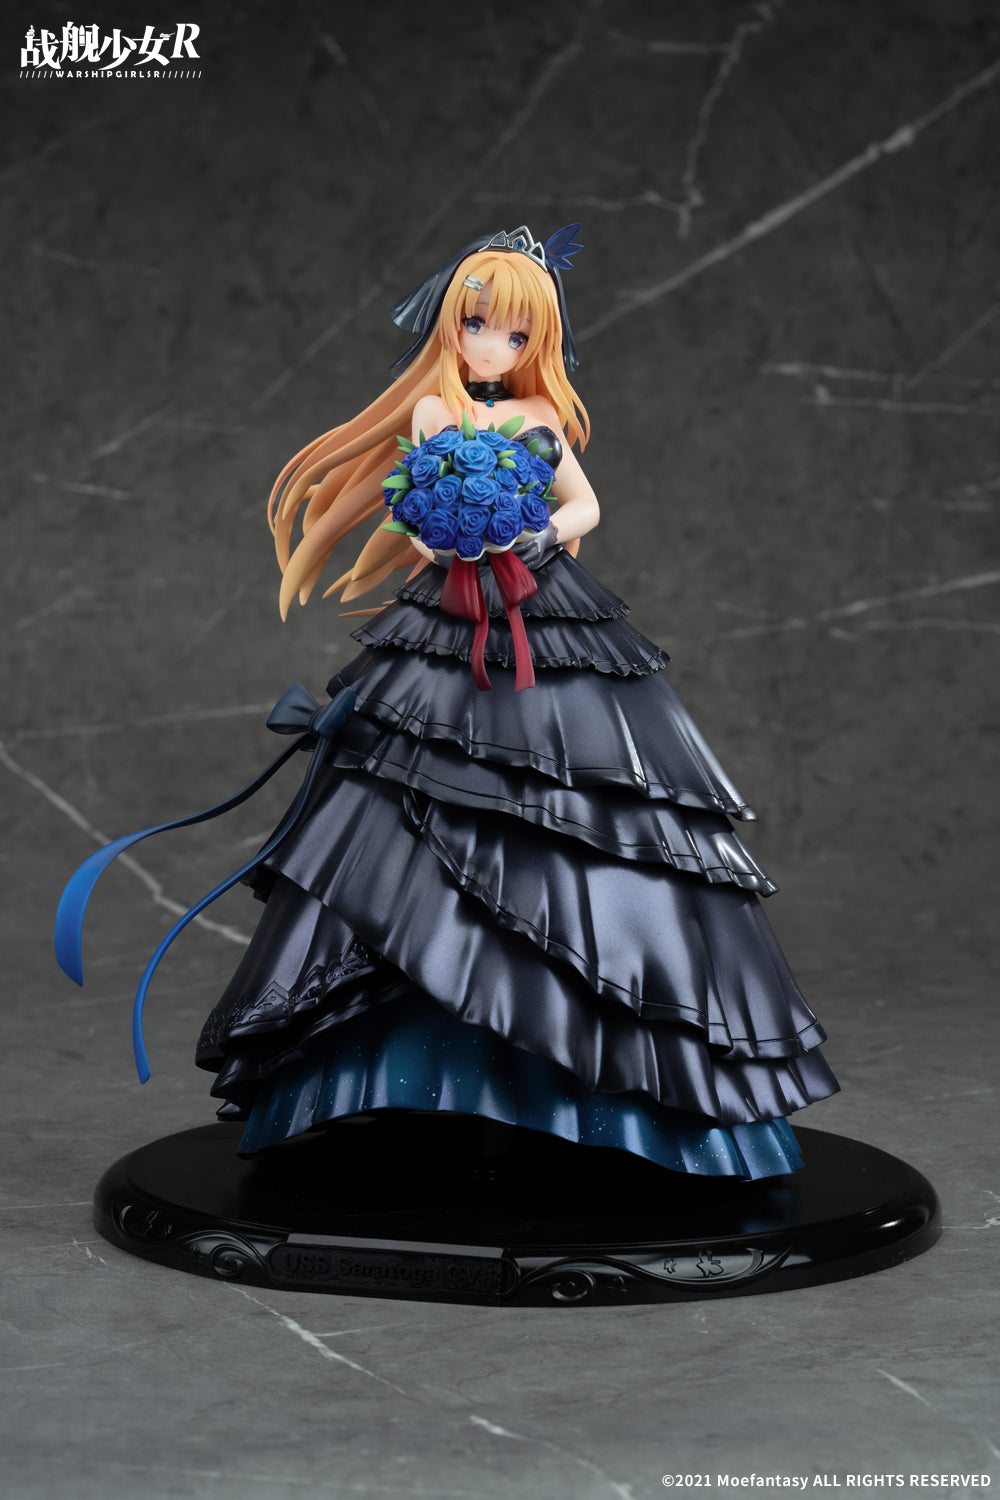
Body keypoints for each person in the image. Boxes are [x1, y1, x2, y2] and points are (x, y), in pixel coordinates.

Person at [62, 225, 840, 1179]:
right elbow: (412, 507)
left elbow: (586, 504)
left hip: (541, 610)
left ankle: (587, 1085)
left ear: (539, 341)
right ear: (449, 325)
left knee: (573, 792)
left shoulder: (540, 415)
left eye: (516, 334)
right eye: (476, 326)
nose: (492, 347)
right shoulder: (436, 411)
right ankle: (394, 1069)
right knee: (405, 791)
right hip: (450, 614)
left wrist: (539, 535)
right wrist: (446, 538)